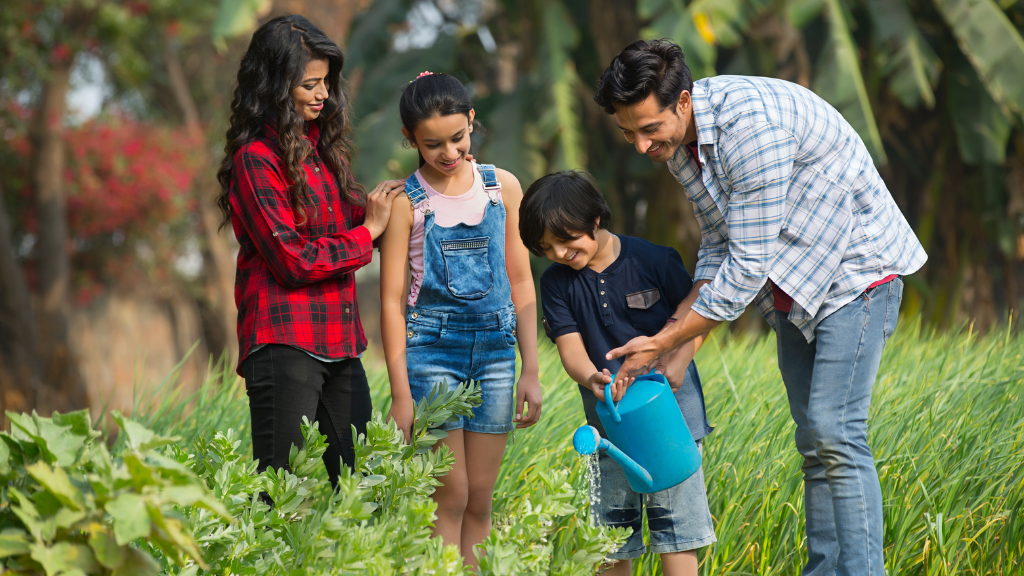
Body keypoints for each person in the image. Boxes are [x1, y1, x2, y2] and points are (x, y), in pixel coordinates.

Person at [594, 40, 927, 576]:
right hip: (795, 285)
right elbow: (719, 246)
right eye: (627, 132)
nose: (639, 145)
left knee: (835, 432)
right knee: (814, 441)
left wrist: (664, 340)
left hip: (856, 272)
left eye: (648, 129)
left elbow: (745, 266)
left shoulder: (750, 127)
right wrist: (672, 352)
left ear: (682, 102)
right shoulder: (680, 144)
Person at [215, 14, 401, 489]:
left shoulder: (321, 150)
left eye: (326, 82)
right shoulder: (255, 159)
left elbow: (365, 221)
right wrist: (367, 234)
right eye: (309, 84)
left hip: (341, 340)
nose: (323, 94)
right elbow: (292, 260)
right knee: (281, 494)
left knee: (365, 487)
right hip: (283, 341)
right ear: (275, 86)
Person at [378, 72, 543, 567]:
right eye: (432, 145)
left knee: (480, 499)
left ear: (471, 122)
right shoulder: (406, 202)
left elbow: (521, 283)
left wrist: (530, 369)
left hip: (496, 355)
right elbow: (390, 302)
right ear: (409, 139)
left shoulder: (502, 188)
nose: (449, 152)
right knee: (447, 497)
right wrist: (402, 395)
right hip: (432, 357)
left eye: (457, 137)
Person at [520, 170, 716, 576]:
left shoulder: (654, 260)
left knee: (677, 533)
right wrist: (591, 378)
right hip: (608, 433)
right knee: (609, 542)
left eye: (566, 239)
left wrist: (677, 364)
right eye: (546, 247)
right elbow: (570, 349)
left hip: (673, 425)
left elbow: (699, 319)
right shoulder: (557, 284)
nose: (558, 253)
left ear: (595, 219)